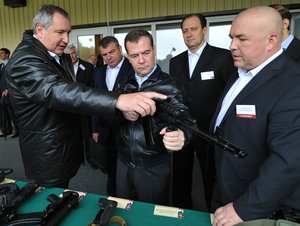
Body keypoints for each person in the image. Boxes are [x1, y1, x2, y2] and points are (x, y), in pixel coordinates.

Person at [4, 4, 166, 189]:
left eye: (68, 32)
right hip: (47, 154)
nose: (66, 39)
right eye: (60, 32)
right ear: (40, 30)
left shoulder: (52, 56)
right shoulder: (25, 60)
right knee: (50, 206)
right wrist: (118, 100)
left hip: (62, 148)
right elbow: (59, 91)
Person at [211, 6, 300, 225]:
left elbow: (288, 161)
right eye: (232, 37)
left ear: (271, 41)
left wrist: (244, 209)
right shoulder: (241, 71)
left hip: (256, 209)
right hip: (225, 189)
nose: (232, 46)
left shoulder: (293, 84)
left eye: (242, 39)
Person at [114, 29, 193, 205]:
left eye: (146, 53)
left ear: (154, 50)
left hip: (153, 166)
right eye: (134, 56)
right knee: (122, 212)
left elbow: (187, 123)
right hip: (123, 163)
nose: (141, 60)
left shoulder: (171, 85)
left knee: (152, 216)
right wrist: (121, 113)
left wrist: (182, 135)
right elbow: (109, 118)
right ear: (128, 57)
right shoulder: (123, 84)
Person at [169, 13, 236, 210]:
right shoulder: (176, 61)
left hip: (208, 130)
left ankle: (213, 213)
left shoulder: (222, 57)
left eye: (193, 29)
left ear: (204, 30)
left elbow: (229, 96)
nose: (189, 34)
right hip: (181, 127)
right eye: (185, 30)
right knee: (181, 174)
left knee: (210, 176)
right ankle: (182, 211)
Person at [92, 36, 134, 196]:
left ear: (120, 50)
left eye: (112, 52)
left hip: (127, 129)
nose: (108, 57)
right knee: (110, 170)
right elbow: (94, 102)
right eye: (104, 54)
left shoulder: (132, 68)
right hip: (105, 129)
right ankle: (112, 197)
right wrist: (94, 129)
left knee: (129, 170)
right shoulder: (99, 72)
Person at [65, 44, 95, 167]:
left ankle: (90, 158)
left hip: (85, 107)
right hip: (69, 109)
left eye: (72, 53)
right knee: (73, 135)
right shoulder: (63, 68)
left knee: (87, 135)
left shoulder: (87, 67)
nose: (71, 56)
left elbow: (93, 86)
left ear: (76, 53)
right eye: (68, 55)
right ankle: (77, 159)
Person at [0, 48, 19, 138]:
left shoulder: (12, 64)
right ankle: (7, 130)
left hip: (9, 92)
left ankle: (18, 131)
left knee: (12, 113)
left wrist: (7, 89)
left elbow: (13, 78)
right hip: (1, 93)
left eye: (2, 53)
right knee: (4, 113)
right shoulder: (1, 66)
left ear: (7, 54)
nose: (0, 55)